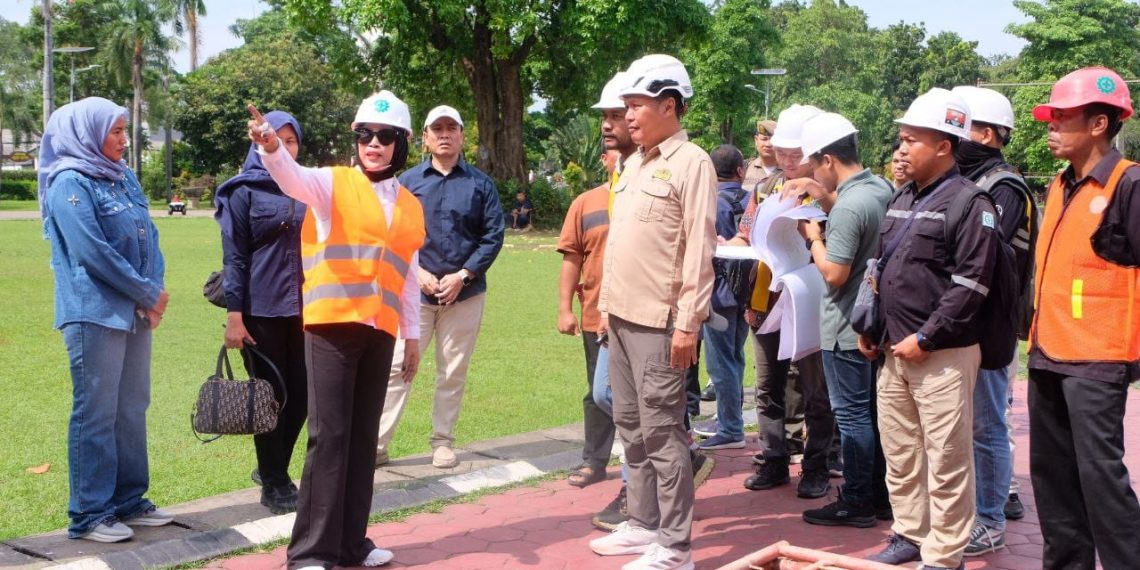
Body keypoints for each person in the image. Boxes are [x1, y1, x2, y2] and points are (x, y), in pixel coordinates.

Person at [250, 91, 424, 569]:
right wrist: (272, 147)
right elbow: (292, 178)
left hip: (380, 330)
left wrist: (412, 335)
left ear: (402, 143)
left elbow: (408, 276)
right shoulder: (332, 183)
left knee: (362, 438)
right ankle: (311, 551)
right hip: (331, 327)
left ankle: (351, 543)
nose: (374, 144)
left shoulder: (411, 205)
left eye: (385, 136)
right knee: (329, 436)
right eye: (365, 134)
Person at [861, 88, 999, 570]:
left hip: (941, 355)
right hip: (893, 351)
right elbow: (883, 268)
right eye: (901, 139)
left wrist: (926, 337)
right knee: (901, 452)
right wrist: (873, 326)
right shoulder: (903, 196)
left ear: (943, 146)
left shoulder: (970, 202)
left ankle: (944, 553)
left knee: (946, 458)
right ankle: (910, 533)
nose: (901, 148)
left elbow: (972, 283)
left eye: (911, 139)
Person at [587, 54, 715, 570]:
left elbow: (699, 248)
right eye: (626, 106)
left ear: (669, 105)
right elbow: (623, 243)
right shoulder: (634, 163)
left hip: (661, 322)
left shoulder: (692, 163)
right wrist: (605, 309)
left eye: (637, 105)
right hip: (621, 316)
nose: (628, 116)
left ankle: (676, 546)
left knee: (663, 432)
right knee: (630, 425)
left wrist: (689, 322)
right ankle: (642, 523)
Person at [40, 97, 173, 542]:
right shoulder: (68, 182)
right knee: (97, 411)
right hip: (93, 312)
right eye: (114, 131)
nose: (123, 140)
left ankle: (129, 500)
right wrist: (148, 293)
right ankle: (90, 513)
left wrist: (153, 290)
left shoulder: (123, 177)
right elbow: (92, 252)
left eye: (123, 130)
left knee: (132, 407)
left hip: (134, 311)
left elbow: (149, 235)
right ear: (87, 133)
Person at [1027, 66, 1140, 570]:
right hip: (1048, 352)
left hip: (1098, 359)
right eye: (1050, 117)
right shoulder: (1059, 184)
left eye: (1063, 117)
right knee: (1053, 482)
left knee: (1101, 483)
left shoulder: (1129, 183)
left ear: (1099, 124)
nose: (1051, 126)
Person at [376, 105, 505, 470]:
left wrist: (464, 275)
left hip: (464, 294)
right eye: (438, 129)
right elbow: (391, 233)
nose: (445, 134)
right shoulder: (407, 183)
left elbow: (492, 235)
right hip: (415, 294)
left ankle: (443, 441)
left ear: (462, 135)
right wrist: (416, 273)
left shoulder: (481, 184)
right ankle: (377, 444)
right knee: (398, 367)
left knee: (452, 371)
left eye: (452, 128)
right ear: (426, 137)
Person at [786, 112, 893, 528]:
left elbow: (834, 272)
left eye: (815, 165)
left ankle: (857, 499)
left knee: (851, 419)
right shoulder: (880, 188)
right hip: (872, 322)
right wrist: (823, 196)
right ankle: (879, 495)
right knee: (871, 415)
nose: (814, 173)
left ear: (828, 159)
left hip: (846, 325)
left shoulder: (849, 206)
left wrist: (813, 237)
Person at [732, 104, 835, 500]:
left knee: (815, 391)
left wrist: (821, 200)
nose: (788, 163)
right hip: (766, 301)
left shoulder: (828, 193)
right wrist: (730, 244)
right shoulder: (765, 188)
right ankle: (774, 459)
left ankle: (816, 466)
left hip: (809, 303)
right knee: (767, 388)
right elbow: (747, 234)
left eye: (796, 156)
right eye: (782, 154)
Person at [214, 110, 309, 515]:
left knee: (302, 396)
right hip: (261, 310)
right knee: (271, 397)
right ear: (258, 143)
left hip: (307, 309)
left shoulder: (307, 186)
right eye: (275, 139)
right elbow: (234, 258)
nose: (284, 147)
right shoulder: (243, 191)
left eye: (291, 141)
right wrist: (235, 315)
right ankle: (274, 482)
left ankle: (272, 467)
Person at [950, 85, 1031, 557]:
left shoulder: (1004, 187)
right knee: (964, 426)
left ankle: (991, 517)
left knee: (987, 425)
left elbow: (977, 254)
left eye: (961, 130)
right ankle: (974, 507)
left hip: (991, 325)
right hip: (961, 324)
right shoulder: (966, 181)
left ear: (986, 134)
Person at [557, 72, 630, 492]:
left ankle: (662, 452)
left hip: (635, 311)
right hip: (594, 313)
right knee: (598, 390)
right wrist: (564, 309)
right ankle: (595, 460)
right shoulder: (585, 203)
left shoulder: (642, 191)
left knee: (637, 392)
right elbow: (572, 258)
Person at [696, 144, 751, 451]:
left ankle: (730, 427)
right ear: (740, 171)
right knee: (736, 358)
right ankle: (730, 420)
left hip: (718, 294)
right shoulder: (752, 199)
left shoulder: (709, 203)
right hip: (748, 292)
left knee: (721, 365)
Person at [743, 119, 780, 193]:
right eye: (764, 139)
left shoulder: (789, 170)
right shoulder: (745, 168)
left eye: (773, 140)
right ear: (756, 141)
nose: (768, 144)